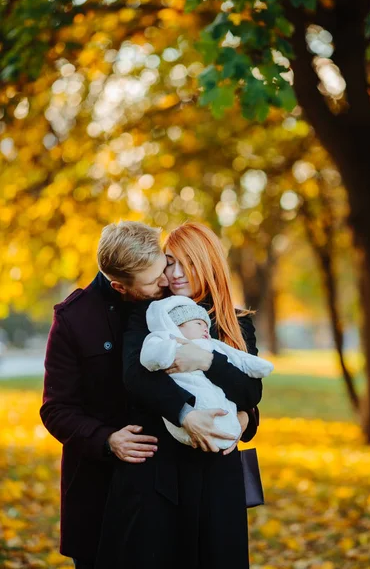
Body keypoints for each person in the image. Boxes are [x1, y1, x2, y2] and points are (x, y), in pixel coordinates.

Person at [40, 221, 258, 569]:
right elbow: (63, 405)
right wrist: (108, 438)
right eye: (166, 266)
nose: (168, 279)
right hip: (114, 479)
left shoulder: (197, 314)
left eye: (170, 265)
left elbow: (248, 392)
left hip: (195, 478)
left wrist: (243, 416)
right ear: (120, 285)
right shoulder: (85, 318)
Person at [140, 294, 273, 448]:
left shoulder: (232, 324)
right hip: (169, 442)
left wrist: (208, 361)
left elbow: (251, 392)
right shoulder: (159, 331)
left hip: (221, 448)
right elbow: (138, 374)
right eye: (198, 324)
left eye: (205, 325)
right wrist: (184, 414)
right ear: (177, 326)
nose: (177, 273)